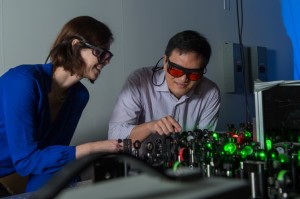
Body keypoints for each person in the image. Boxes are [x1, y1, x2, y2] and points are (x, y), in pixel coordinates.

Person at [0, 16, 122, 193]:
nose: (106, 60)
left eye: (108, 54)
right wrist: (91, 148)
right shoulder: (23, 82)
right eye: (100, 52)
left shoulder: (79, 96)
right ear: (75, 46)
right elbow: (26, 162)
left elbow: (52, 162)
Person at [108, 30, 220, 155]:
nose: (183, 79)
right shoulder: (139, 81)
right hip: (138, 167)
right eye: (177, 70)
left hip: (184, 168)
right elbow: (114, 138)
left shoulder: (210, 92)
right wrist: (150, 127)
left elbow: (204, 144)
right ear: (165, 62)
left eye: (194, 74)